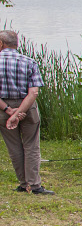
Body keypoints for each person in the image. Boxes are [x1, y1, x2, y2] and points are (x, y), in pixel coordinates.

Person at [0, 31, 52, 195]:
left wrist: (9, 111)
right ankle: (35, 185)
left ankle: (23, 184)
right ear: (17, 44)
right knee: (31, 146)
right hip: (27, 108)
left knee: (14, 147)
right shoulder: (29, 62)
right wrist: (19, 112)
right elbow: (33, 93)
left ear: (1, 44)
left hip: (3, 109)